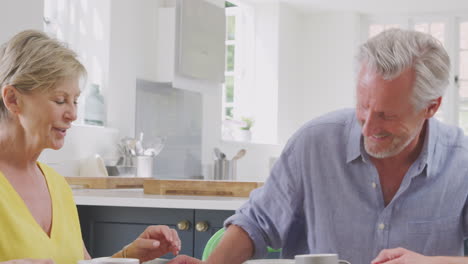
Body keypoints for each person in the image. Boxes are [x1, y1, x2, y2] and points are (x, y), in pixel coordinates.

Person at [168, 28, 468, 264]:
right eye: (363, 106)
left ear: (431, 107)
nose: (368, 126)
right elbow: (258, 223)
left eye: (387, 116)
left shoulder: (461, 162)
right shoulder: (314, 142)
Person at [0, 30, 181, 264]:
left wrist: (129, 256)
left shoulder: (57, 186)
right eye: (60, 100)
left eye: (75, 101)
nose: (73, 114)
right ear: (13, 99)